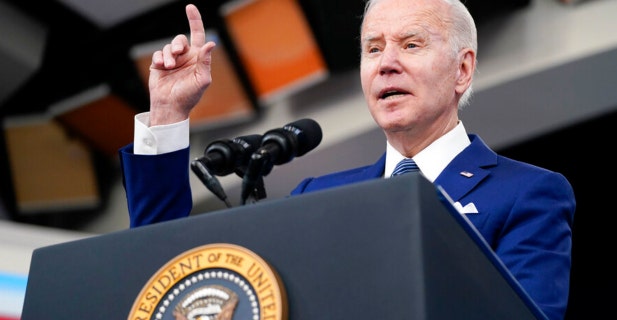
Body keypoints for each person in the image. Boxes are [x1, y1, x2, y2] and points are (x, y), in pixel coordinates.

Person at [119, 1, 576, 320]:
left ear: (462, 69)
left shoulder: (526, 194)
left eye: (411, 44)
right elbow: (172, 267)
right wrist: (167, 113)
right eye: (373, 48)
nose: (386, 63)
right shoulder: (317, 196)